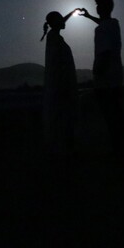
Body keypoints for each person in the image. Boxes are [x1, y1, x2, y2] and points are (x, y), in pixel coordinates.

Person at [79, 0, 124, 157]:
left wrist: (97, 74)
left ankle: (119, 150)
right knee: (116, 113)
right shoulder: (114, 24)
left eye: (97, 5)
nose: (96, 7)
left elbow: (105, 52)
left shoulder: (102, 29)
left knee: (111, 116)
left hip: (106, 80)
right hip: (116, 77)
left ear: (100, 8)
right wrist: (88, 16)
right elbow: (104, 24)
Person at [41, 9, 82, 157]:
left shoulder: (54, 36)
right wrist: (63, 84)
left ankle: (65, 150)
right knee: (63, 119)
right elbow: (57, 64)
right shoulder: (54, 38)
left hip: (62, 85)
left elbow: (60, 21)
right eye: (60, 19)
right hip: (61, 86)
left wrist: (73, 12)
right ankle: (64, 152)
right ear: (55, 22)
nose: (64, 22)